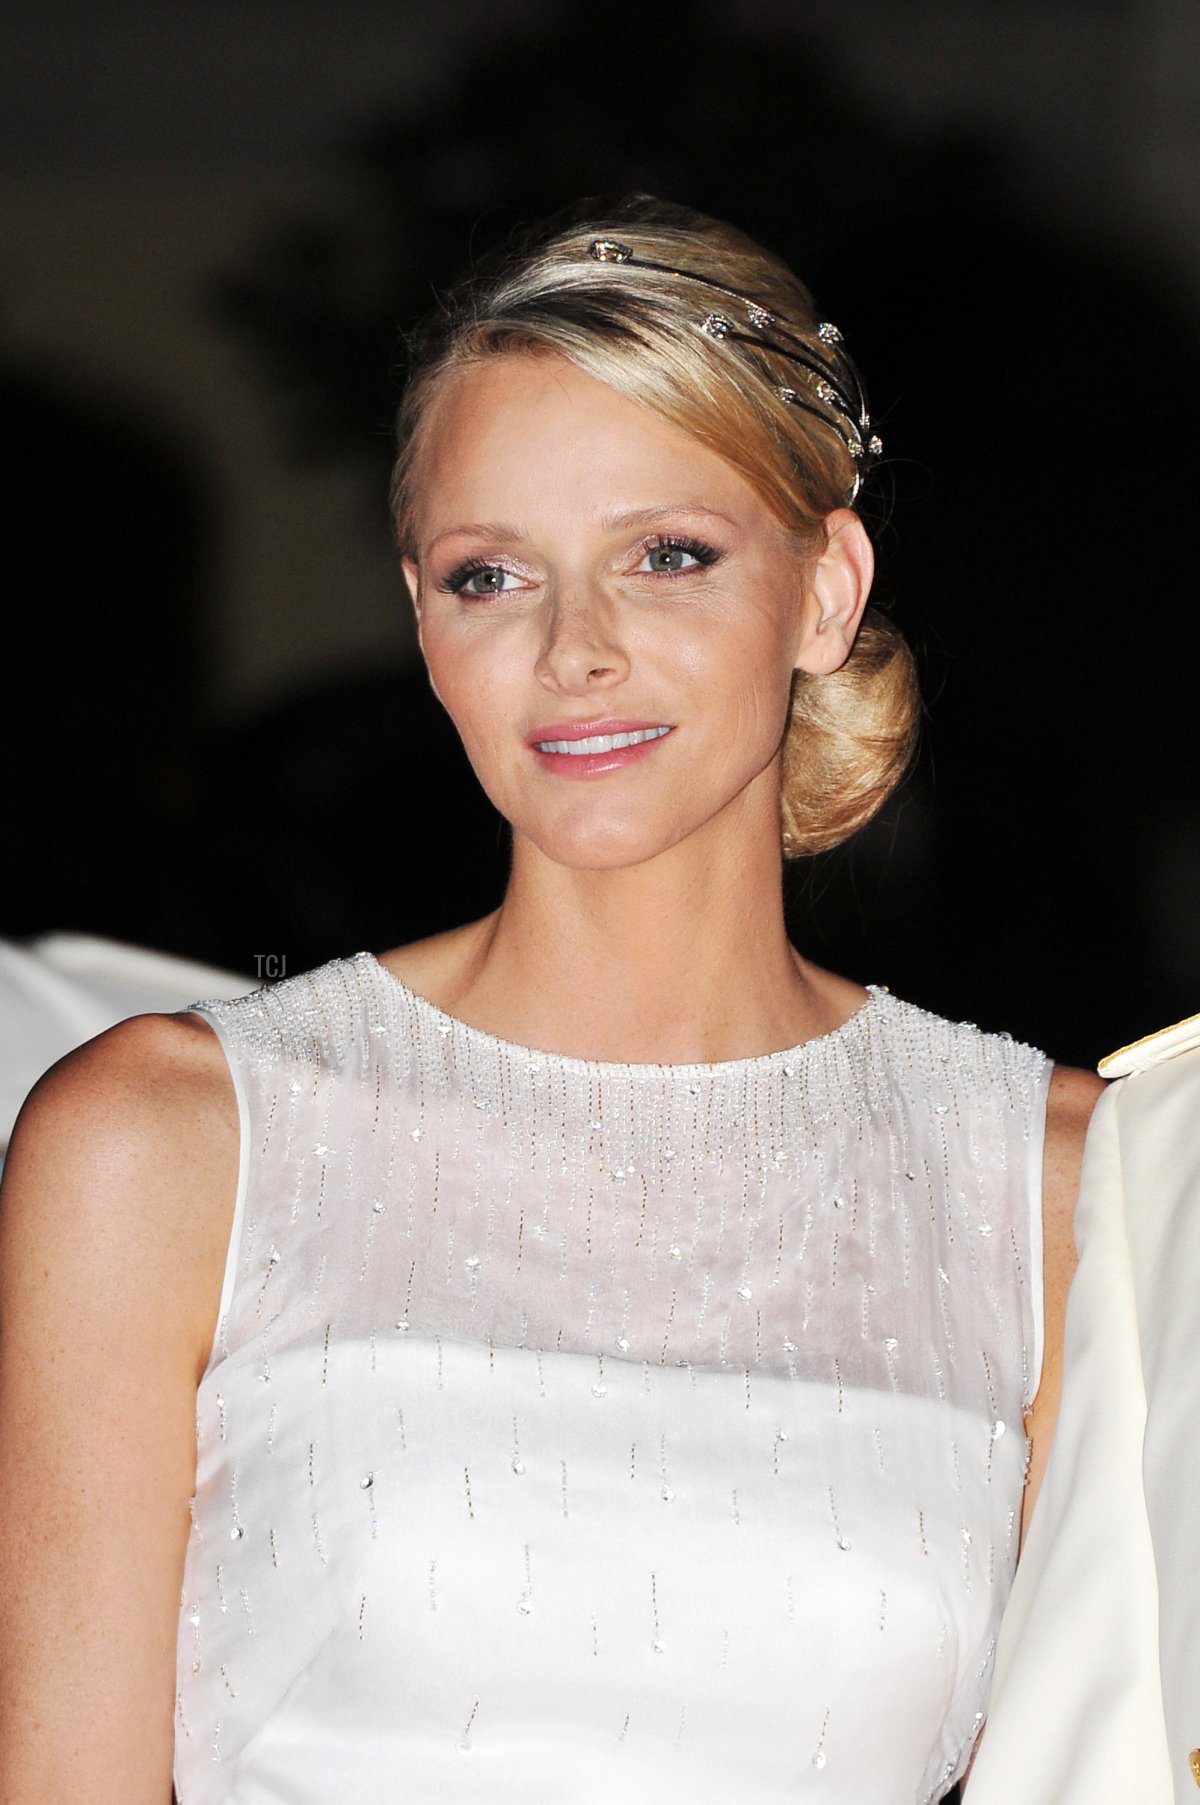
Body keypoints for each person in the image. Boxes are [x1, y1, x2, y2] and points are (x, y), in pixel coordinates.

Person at [0, 195, 1102, 1805]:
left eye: (668, 556)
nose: (575, 649)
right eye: (491, 574)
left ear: (823, 590)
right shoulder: (162, 1143)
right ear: (423, 619)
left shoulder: (1060, 1185)